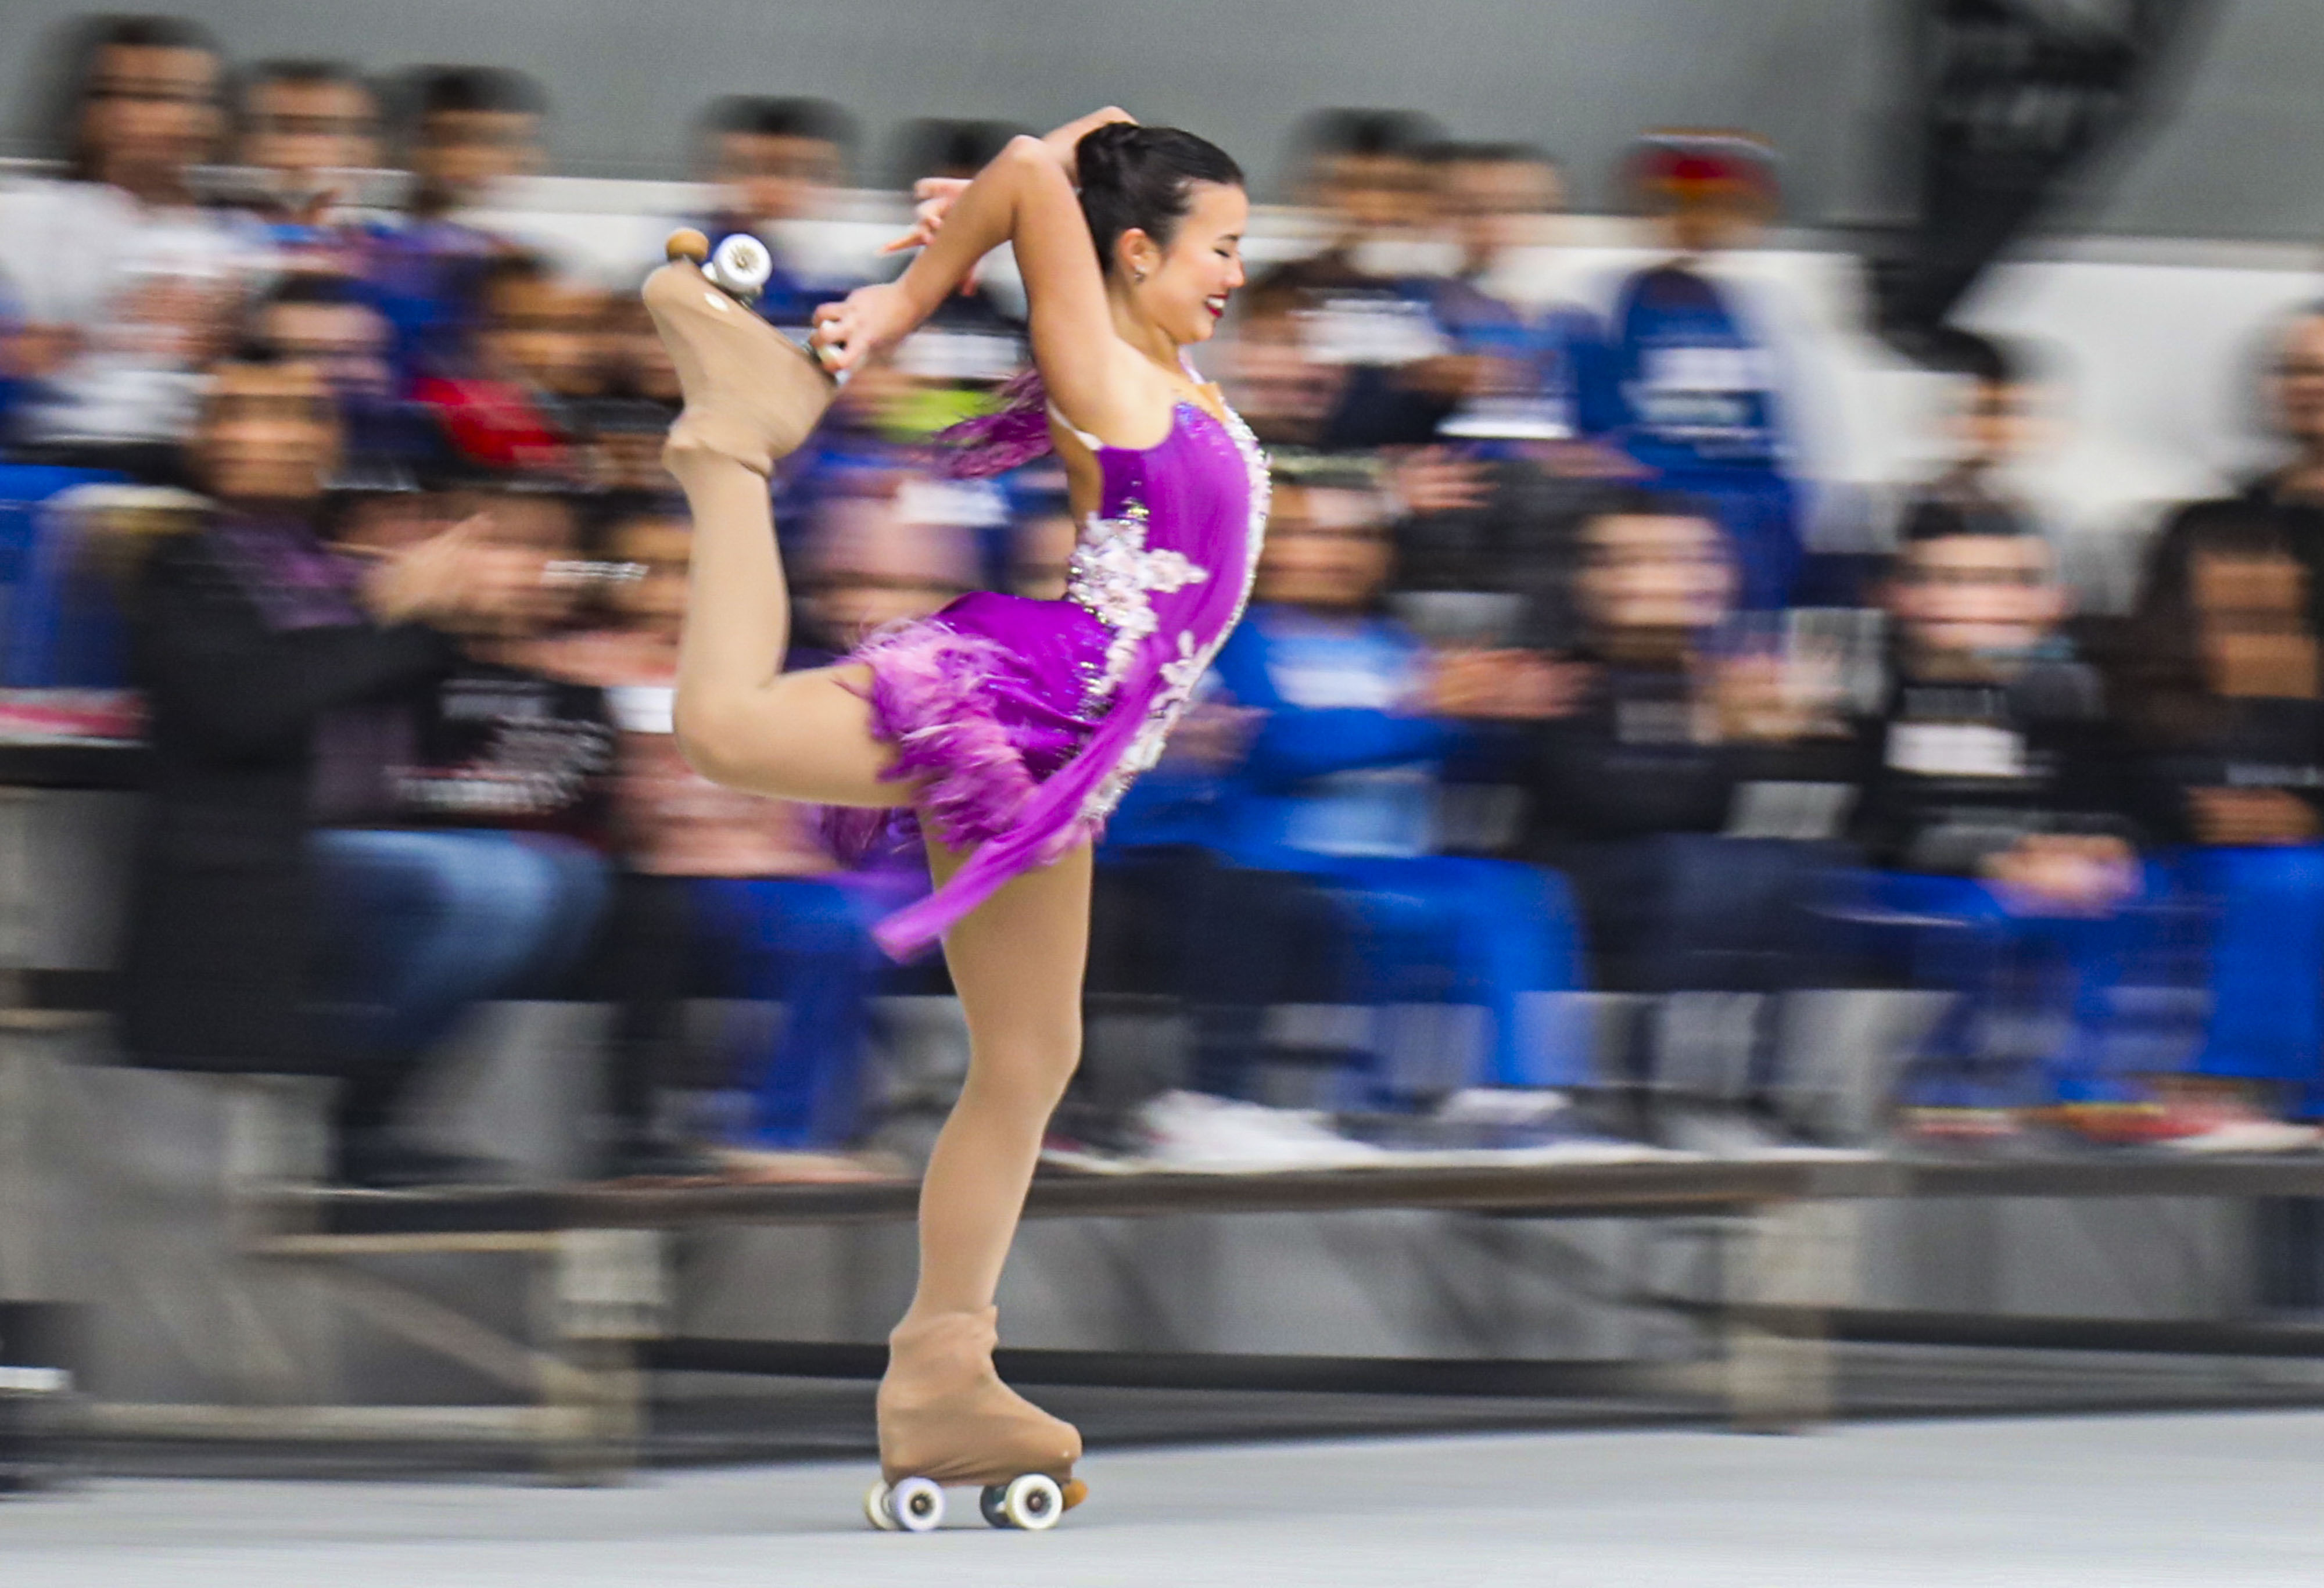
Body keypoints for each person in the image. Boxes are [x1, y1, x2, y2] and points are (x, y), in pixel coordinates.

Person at [644, 107, 1259, 1520]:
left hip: (1071, 755)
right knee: (725, 729)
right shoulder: (1101, 366)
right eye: (1219, 247)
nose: (1235, 271)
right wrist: (906, 296)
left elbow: (1069, 150)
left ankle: (942, 1369)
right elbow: (1044, 174)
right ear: (1135, 250)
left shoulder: (1164, 363)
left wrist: (1042, 161)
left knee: (1033, 1056)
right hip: (1021, 703)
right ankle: (730, 449)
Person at [114, 353, 566, 1185]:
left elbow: (434, 710)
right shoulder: (181, 567)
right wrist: (397, 615)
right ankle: (358, 1110)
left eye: (302, 416)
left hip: (375, 835)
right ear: (205, 441)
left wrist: (495, 620)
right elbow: (246, 708)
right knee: (497, 888)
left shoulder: (341, 563)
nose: (280, 436)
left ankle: (375, 1106)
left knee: (569, 883)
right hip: (256, 862)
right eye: (249, 414)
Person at [0, 15, 258, 482]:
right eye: (107, 95)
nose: (125, 114)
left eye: (157, 97)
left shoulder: (240, 240)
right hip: (55, 456)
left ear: (212, 118)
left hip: (195, 465)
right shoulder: (23, 214)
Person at [1606, 132, 1803, 610]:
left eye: (1718, 208)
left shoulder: (1758, 307)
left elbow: (1774, 428)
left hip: (1751, 519)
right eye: (1681, 207)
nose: (1700, 223)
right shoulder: (1629, 301)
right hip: (1663, 513)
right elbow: (1616, 415)